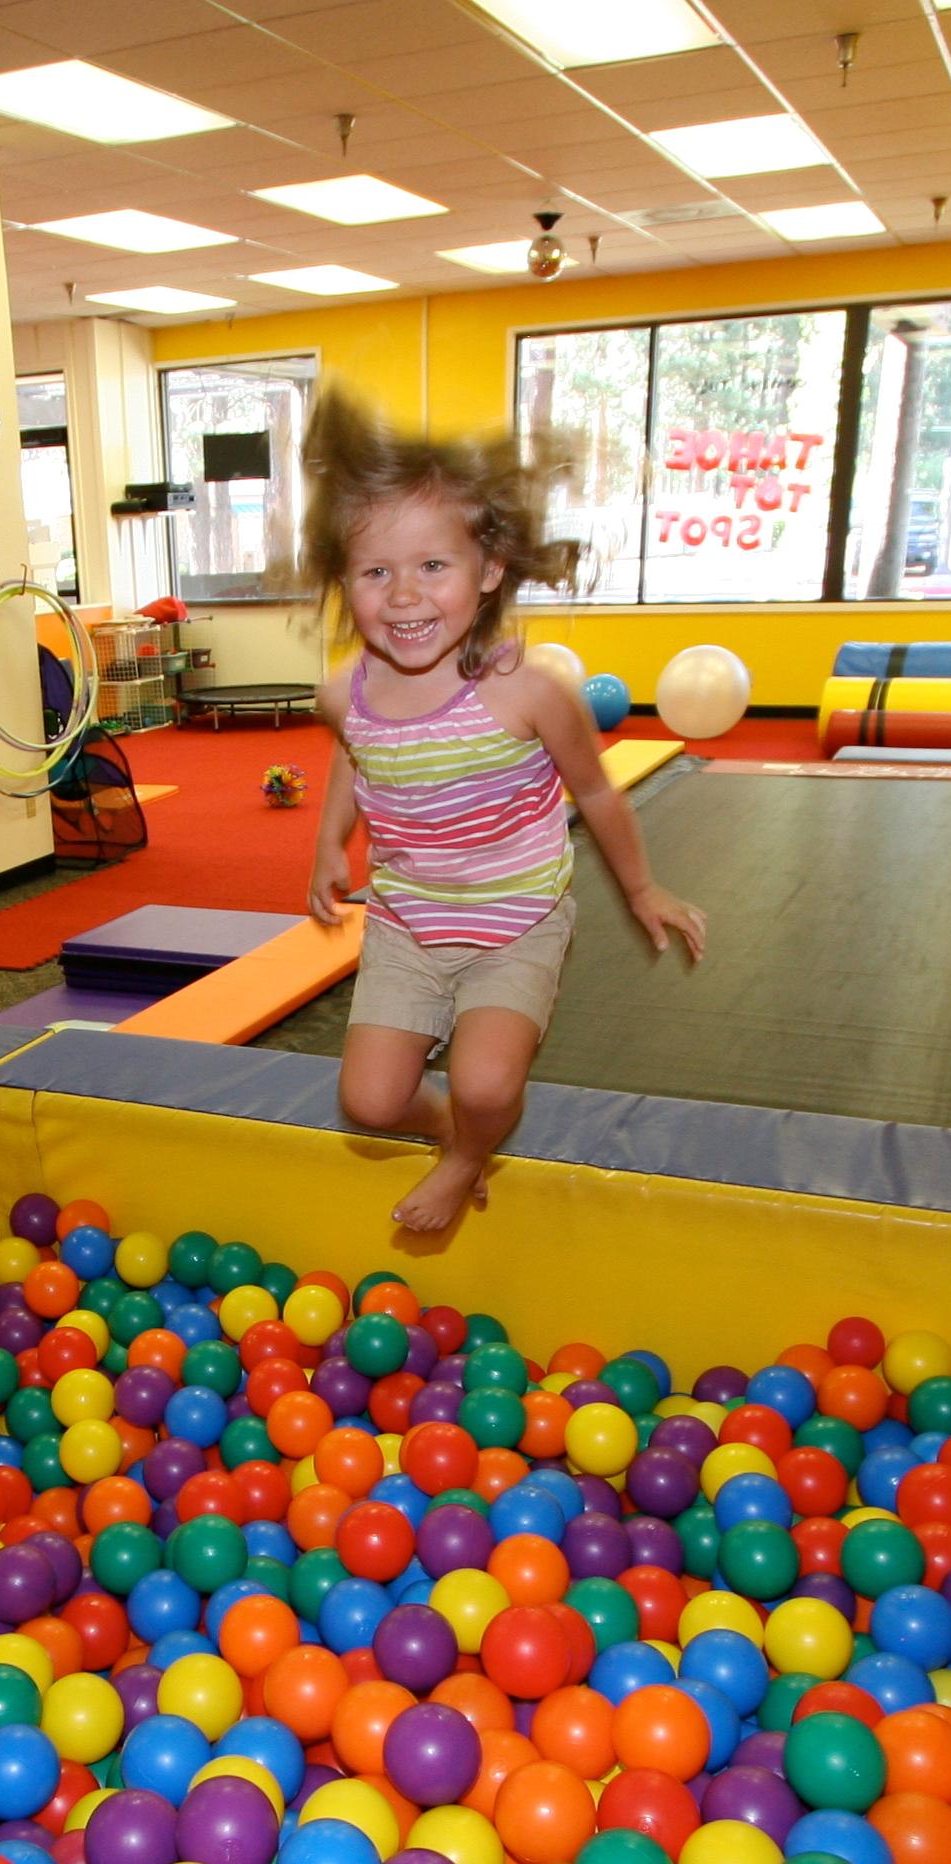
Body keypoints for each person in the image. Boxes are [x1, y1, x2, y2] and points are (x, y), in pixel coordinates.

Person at [301, 391, 708, 1234]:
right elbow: (355, 754)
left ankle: (467, 1150)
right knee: (370, 1101)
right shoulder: (346, 692)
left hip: (516, 920)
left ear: (487, 572)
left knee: (489, 1082)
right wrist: (326, 845)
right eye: (376, 571)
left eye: (432, 567)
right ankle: (457, 1136)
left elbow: (593, 790)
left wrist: (641, 891)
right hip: (408, 922)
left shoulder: (526, 692)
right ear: (346, 580)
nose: (405, 596)